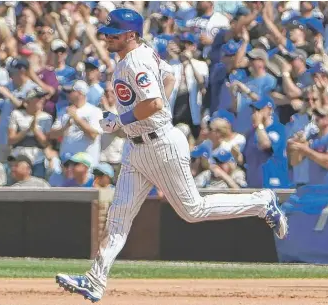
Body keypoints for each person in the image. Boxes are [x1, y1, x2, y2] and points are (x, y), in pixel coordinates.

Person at [56, 8, 288, 303]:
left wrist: (120, 119)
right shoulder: (141, 54)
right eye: (107, 33)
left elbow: (152, 103)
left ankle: (261, 202)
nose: (107, 38)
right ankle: (95, 280)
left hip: (159, 143)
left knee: (193, 210)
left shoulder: (135, 61)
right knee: (118, 217)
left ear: (130, 35)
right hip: (137, 147)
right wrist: (133, 119)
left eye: (113, 34)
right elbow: (171, 75)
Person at [288, 105, 328, 184]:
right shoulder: (311, 137)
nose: (317, 117)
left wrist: (305, 150)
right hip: (314, 189)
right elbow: (294, 162)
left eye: (321, 115)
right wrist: (297, 145)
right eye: (316, 114)